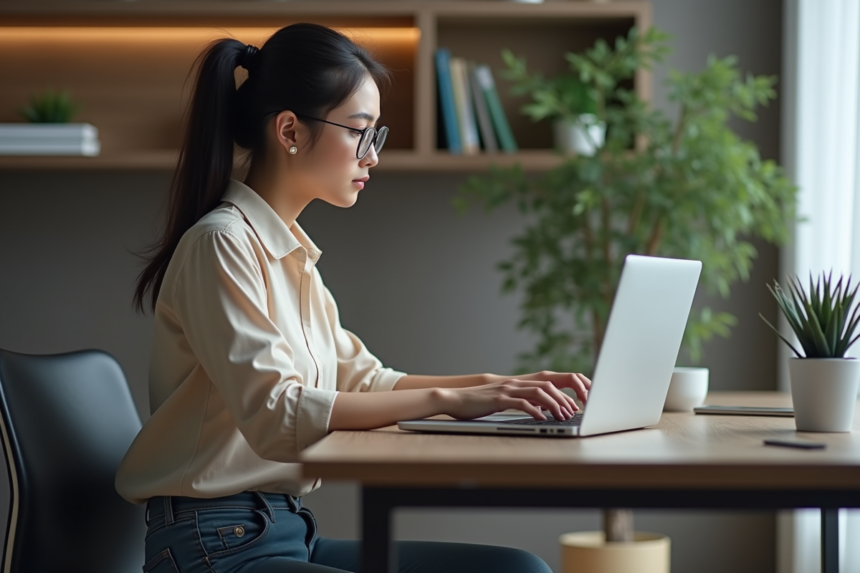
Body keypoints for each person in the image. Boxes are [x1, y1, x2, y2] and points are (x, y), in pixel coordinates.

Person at [118, 22, 591, 573]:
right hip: (213, 544)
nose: (372, 156)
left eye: (376, 136)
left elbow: (367, 382)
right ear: (290, 131)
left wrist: (496, 388)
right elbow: (278, 414)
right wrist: (446, 401)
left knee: (517, 569)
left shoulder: (291, 257)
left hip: (284, 529)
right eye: (360, 132)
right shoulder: (222, 245)